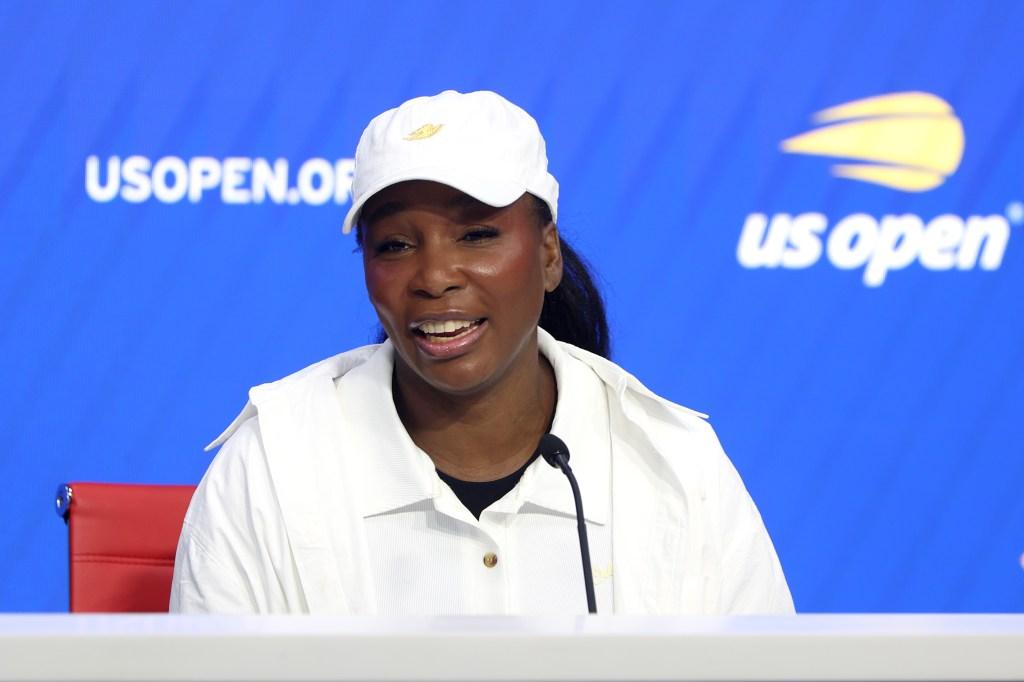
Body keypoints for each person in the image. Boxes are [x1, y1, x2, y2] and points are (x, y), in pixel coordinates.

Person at [170, 90, 793, 615]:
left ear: (547, 253)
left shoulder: (675, 466)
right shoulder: (272, 468)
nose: (434, 276)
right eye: (394, 245)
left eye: (476, 234)